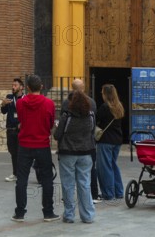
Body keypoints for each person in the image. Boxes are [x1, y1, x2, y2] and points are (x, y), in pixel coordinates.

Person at [11, 74, 60, 223]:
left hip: (25, 145)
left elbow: (21, 119)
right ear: (42, 87)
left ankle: (20, 213)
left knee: (21, 180)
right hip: (42, 144)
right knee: (46, 180)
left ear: (27, 87)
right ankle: (48, 212)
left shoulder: (20, 103)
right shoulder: (49, 103)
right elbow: (51, 123)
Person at [55, 90, 96, 224]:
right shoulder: (90, 116)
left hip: (68, 153)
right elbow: (92, 132)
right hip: (86, 153)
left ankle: (69, 215)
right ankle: (88, 215)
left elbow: (57, 135)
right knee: (84, 184)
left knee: (68, 184)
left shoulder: (66, 117)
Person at [61, 79, 101, 203]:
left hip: (69, 146)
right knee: (89, 172)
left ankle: (68, 199)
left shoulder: (66, 102)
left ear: (72, 87)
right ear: (83, 87)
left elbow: (61, 127)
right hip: (87, 145)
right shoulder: (92, 102)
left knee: (68, 177)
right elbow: (93, 122)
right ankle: (93, 195)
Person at [95, 84, 124, 201]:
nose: (101, 94)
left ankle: (108, 193)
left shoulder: (104, 107)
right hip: (117, 140)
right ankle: (119, 191)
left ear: (106, 94)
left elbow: (97, 120)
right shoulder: (119, 106)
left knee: (105, 167)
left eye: (102, 92)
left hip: (105, 140)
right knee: (113, 165)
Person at [0, 77, 24, 181]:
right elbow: (3, 111)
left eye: (15, 85)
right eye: (12, 85)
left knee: (20, 153)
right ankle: (15, 174)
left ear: (21, 87)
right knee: (13, 152)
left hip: (21, 130)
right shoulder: (9, 97)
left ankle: (21, 174)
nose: (13, 87)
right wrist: (3, 104)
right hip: (10, 130)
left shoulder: (25, 98)